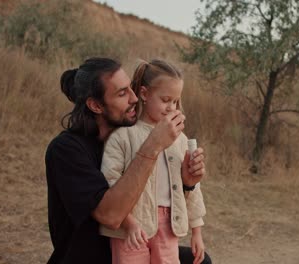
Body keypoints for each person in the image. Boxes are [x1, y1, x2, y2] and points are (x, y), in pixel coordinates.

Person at [45, 57, 211, 264]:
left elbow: (159, 192)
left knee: (201, 261)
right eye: (122, 93)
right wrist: (153, 146)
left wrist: (188, 183)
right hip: (94, 257)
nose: (133, 98)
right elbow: (111, 215)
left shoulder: (130, 134)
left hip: (145, 240)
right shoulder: (66, 150)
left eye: (131, 89)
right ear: (96, 105)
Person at [100, 59, 206, 264]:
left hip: (169, 225)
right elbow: (110, 183)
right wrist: (128, 223)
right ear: (144, 94)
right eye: (166, 99)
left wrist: (197, 231)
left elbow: (194, 187)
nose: (171, 107)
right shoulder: (123, 137)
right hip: (130, 226)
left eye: (175, 101)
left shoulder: (181, 140)